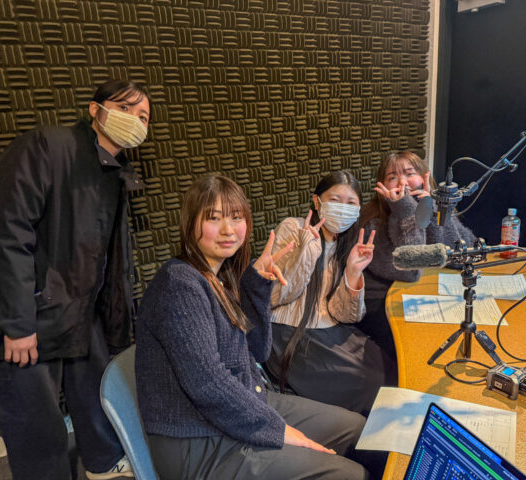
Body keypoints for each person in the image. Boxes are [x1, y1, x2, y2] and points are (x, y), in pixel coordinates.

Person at [135, 175, 371, 480]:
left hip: (242, 404)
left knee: (358, 431)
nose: (228, 230)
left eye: (236, 217)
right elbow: (207, 384)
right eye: (213, 218)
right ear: (190, 223)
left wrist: (256, 287)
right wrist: (277, 429)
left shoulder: (222, 277)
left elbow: (257, 351)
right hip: (198, 440)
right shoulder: (179, 285)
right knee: (350, 474)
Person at [0, 79, 150, 479]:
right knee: (35, 426)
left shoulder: (114, 173)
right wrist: (16, 323)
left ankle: (103, 464)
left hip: (79, 313)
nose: (134, 120)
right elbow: (5, 233)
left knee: (96, 400)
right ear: (95, 109)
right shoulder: (47, 148)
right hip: (30, 316)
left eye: (143, 116)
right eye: (125, 108)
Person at [265, 171, 397, 417]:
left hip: (331, 329)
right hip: (290, 332)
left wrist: (353, 272)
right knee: (369, 385)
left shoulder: (347, 242)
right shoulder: (293, 227)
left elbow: (344, 314)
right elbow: (276, 296)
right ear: (317, 202)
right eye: (335, 200)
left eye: (351, 203)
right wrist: (306, 251)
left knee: (390, 371)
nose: (342, 208)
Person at [358, 150, 476, 361]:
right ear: (382, 186)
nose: (402, 182)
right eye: (392, 177)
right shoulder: (371, 222)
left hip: (423, 295)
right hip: (383, 306)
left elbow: (463, 255)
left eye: (409, 173)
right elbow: (410, 271)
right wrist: (405, 210)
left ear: (424, 177)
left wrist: (436, 210)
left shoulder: (430, 205)